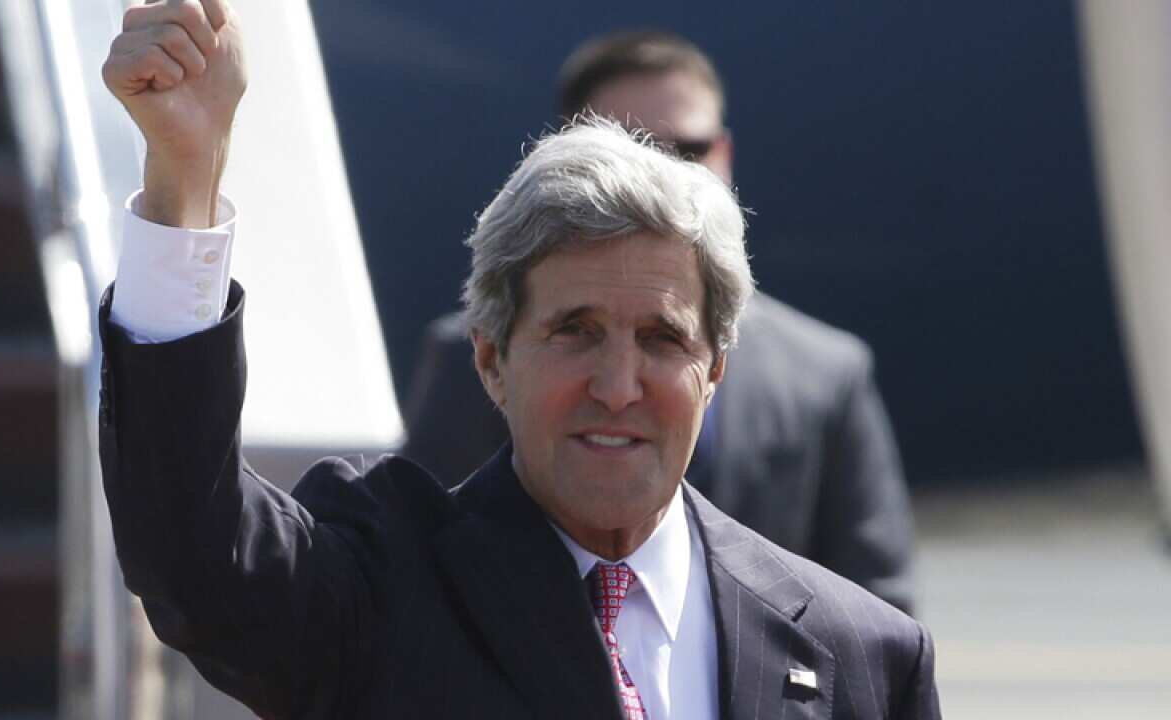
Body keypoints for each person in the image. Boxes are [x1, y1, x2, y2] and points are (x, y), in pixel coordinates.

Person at [98, 2, 940, 718]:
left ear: (714, 367)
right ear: (492, 358)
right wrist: (186, 176)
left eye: (662, 340)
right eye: (574, 331)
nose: (617, 388)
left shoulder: (860, 655)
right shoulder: (383, 594)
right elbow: (194, 553)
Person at [404, 31, 917, 613]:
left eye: (687, 149)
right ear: (492, 359)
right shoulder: (466, 355)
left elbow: (873, 611)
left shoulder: (826, 372)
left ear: (724, 153)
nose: (661, 174)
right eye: (632, 147)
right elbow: (415, 563)